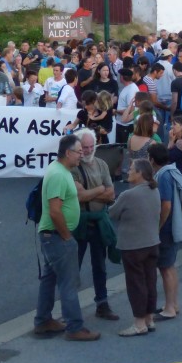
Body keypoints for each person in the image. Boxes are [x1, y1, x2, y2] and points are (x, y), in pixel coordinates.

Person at [33, 135, 100, 341]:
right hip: (56, 236)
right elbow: (55, 211)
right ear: (68, 153)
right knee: (68, 282)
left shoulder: (60, 171)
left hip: (52, 236)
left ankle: (43, 320)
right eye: (79, 152)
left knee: (50, 278)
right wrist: (67, 237)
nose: (82, 155)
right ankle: (74, 327)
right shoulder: (59, 175)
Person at [109, 159, 162, 336]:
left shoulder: (128, 195)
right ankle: (149, 318)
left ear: (140, 173)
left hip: (133, 245)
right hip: (152, 242)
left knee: (136, 284)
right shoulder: (154, 191)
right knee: (150, 281)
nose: (127, 172)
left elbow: (112, 213)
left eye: (131, 169)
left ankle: (139, 323)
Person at [70, 129, 119, 321]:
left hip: (98, 221)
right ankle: (71, 308)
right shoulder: (74, 167)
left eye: (92, 146)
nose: (89, 150)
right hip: (81, 222)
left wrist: (91, 192)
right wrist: (101, 190)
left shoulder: (102, 164)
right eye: (85, 147)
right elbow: (79, 195)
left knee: (100, 265)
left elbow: (111, 195)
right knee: (74, 267)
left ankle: (102, 304)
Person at [148, 144, 182, 321]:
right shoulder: (171, 171)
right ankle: (172, 304)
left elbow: (166, 205)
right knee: (169, 266)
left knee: (165, 268)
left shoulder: (163, 175)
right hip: (173, 226)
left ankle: (170, 307)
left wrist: (157, 226)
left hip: (166, 228)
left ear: (152, 159)